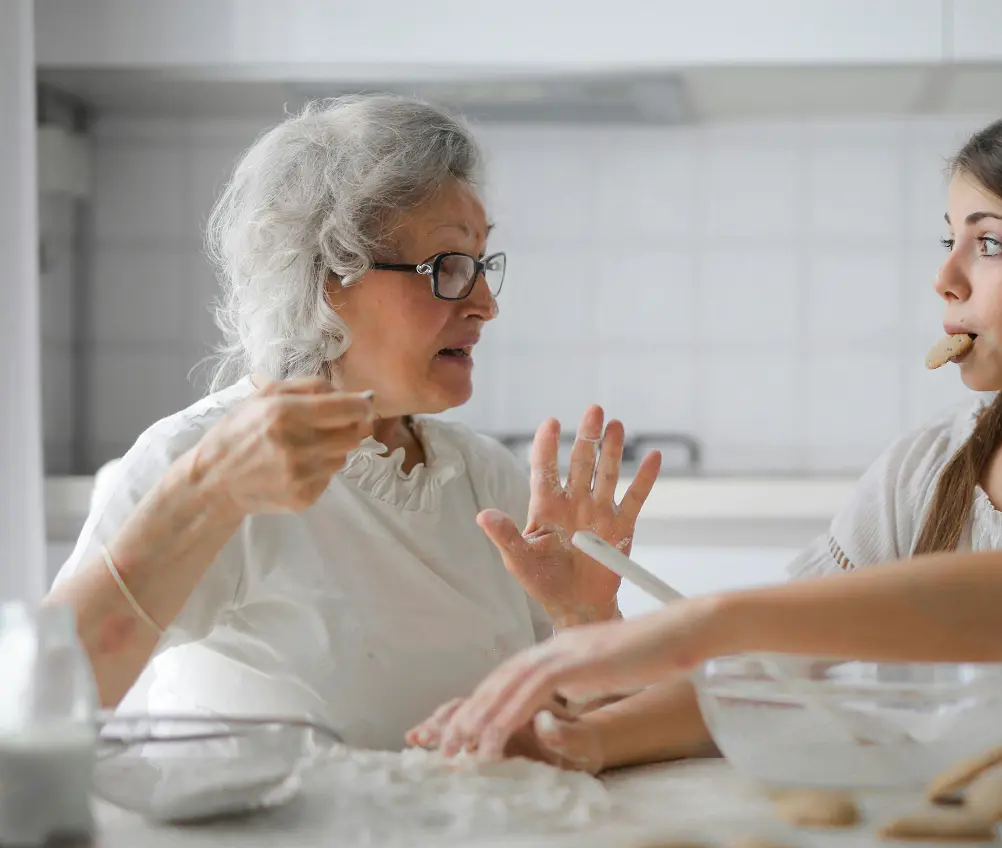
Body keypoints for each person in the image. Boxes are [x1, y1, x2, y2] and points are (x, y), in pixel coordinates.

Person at [414, 95, 1002, 765]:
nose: (947, 280)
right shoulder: (928, 469)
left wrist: (709, 617)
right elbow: (780, 673)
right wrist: (589, 737)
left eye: (992, 242)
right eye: (949, 239)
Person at [44, 94, 659, 750]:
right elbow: (42, 701)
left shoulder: (484, 478)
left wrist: (586, 618)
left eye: (482, 265)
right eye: (448, 267)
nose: (484, 304)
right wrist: (203, 495)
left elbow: (583, 736)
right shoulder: (201, 457)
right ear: (328, 277)